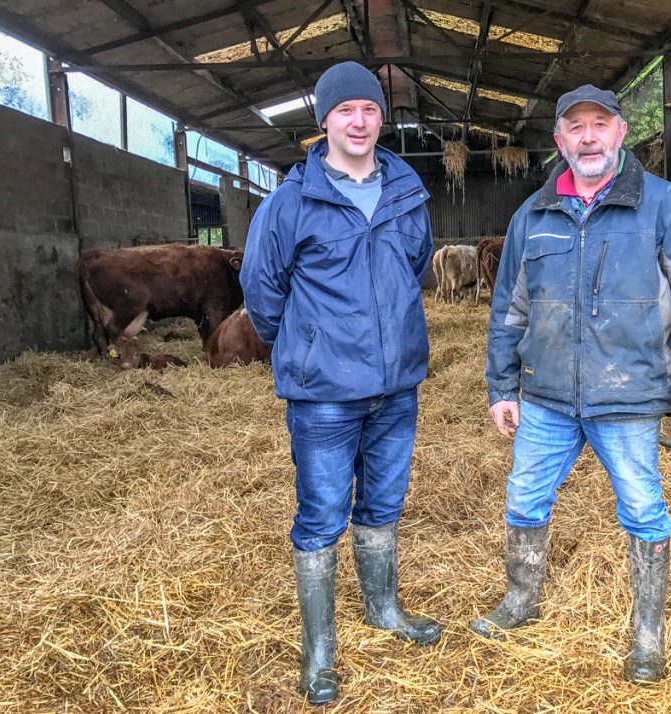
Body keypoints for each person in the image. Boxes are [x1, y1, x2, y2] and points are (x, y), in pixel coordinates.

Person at [472, 84, 671, 683]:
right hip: (548, 396)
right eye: (575, 127)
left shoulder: (663, 206)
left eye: (599, 125)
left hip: (629, 394)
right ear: (559, 140)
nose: (588, 137)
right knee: (524, 498)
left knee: (642, 507)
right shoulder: (531, 217)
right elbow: (509, 310)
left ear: (620, 133)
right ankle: (520, 600)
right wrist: (501, 386)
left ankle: (647, 634)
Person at [240, 61, 440, 705]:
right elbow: (261, 291)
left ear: (383, 119)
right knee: (322, 514)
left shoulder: (408, 190)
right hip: (323, 392)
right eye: (346, 109)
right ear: (323, 119)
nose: (359, 121)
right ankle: (320, 650)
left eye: (371, 110)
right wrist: (306, 345)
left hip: (396, 387)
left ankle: (383, 609)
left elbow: (415, 266)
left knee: (383, 505)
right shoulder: (289, 203)